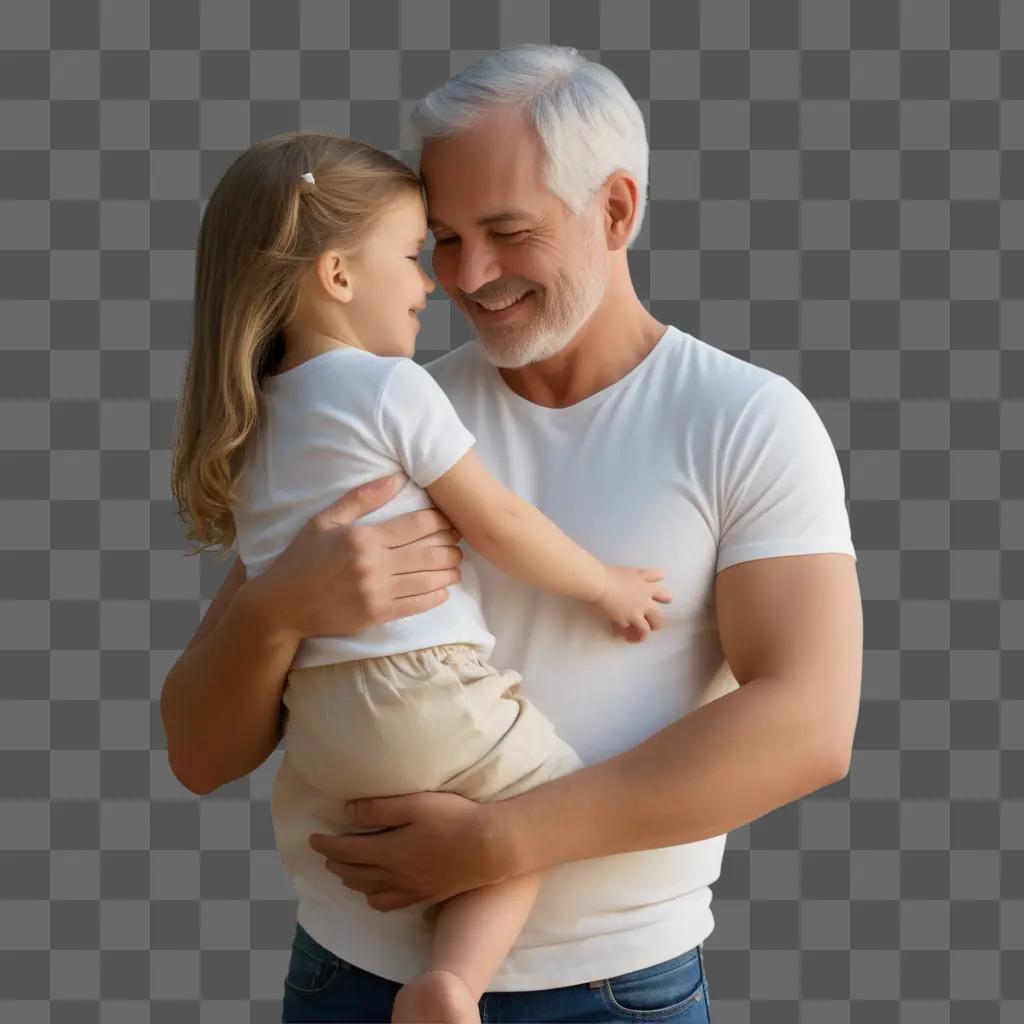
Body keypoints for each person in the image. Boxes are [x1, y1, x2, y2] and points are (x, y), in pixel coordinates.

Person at [161, 44, 863, 1023]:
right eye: (441, 238)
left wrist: (498, 842)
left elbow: (809, 727)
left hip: (616, 991)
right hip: (349, 978)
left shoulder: (743, 419)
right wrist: (278, 608)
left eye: (505, 230)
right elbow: (198, 753)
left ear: (617, 210)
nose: (465, 276)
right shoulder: (379, 408)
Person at [168, 127, 676, 1023]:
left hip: (324, 735)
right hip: (423, 695)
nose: (433, 285)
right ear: (337, 276)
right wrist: (605, 587)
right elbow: (501, 522)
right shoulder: (391, 389)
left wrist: (278, 607)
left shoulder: (252, 428)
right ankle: (450, 983)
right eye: (416, 253)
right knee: (542, 804)